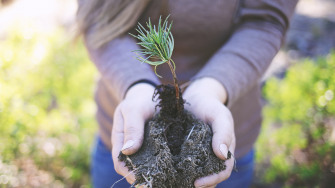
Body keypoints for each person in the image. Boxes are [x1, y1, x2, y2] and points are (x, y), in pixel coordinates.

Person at [77, 0, 298, 187]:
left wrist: (210, 90)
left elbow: (265, 21)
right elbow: (97, 18)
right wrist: (137, 86)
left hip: (223, 134)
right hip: (123, 133)